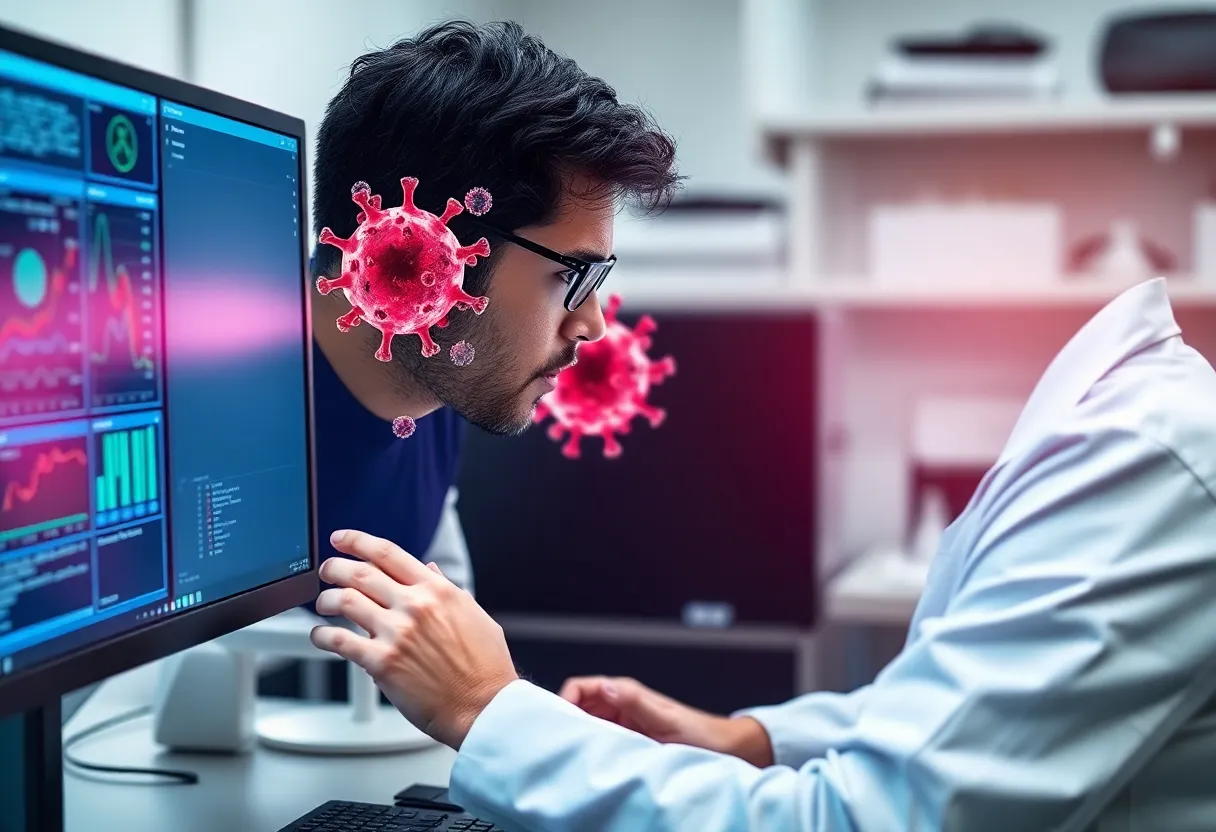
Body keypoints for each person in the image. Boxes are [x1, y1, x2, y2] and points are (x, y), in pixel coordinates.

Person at [312, 271, 1216, 831]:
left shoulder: (1147, 457)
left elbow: (865, 821)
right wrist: (746, 740)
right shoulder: (1144, 432)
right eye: (570, 274)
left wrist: (488, 708)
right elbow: (968, 714)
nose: (591, 328)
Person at [291, 13, 679, 682]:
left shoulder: (439, 375)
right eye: (571, 275)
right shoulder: (229, 424)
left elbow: (441, 600)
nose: (592, 324)